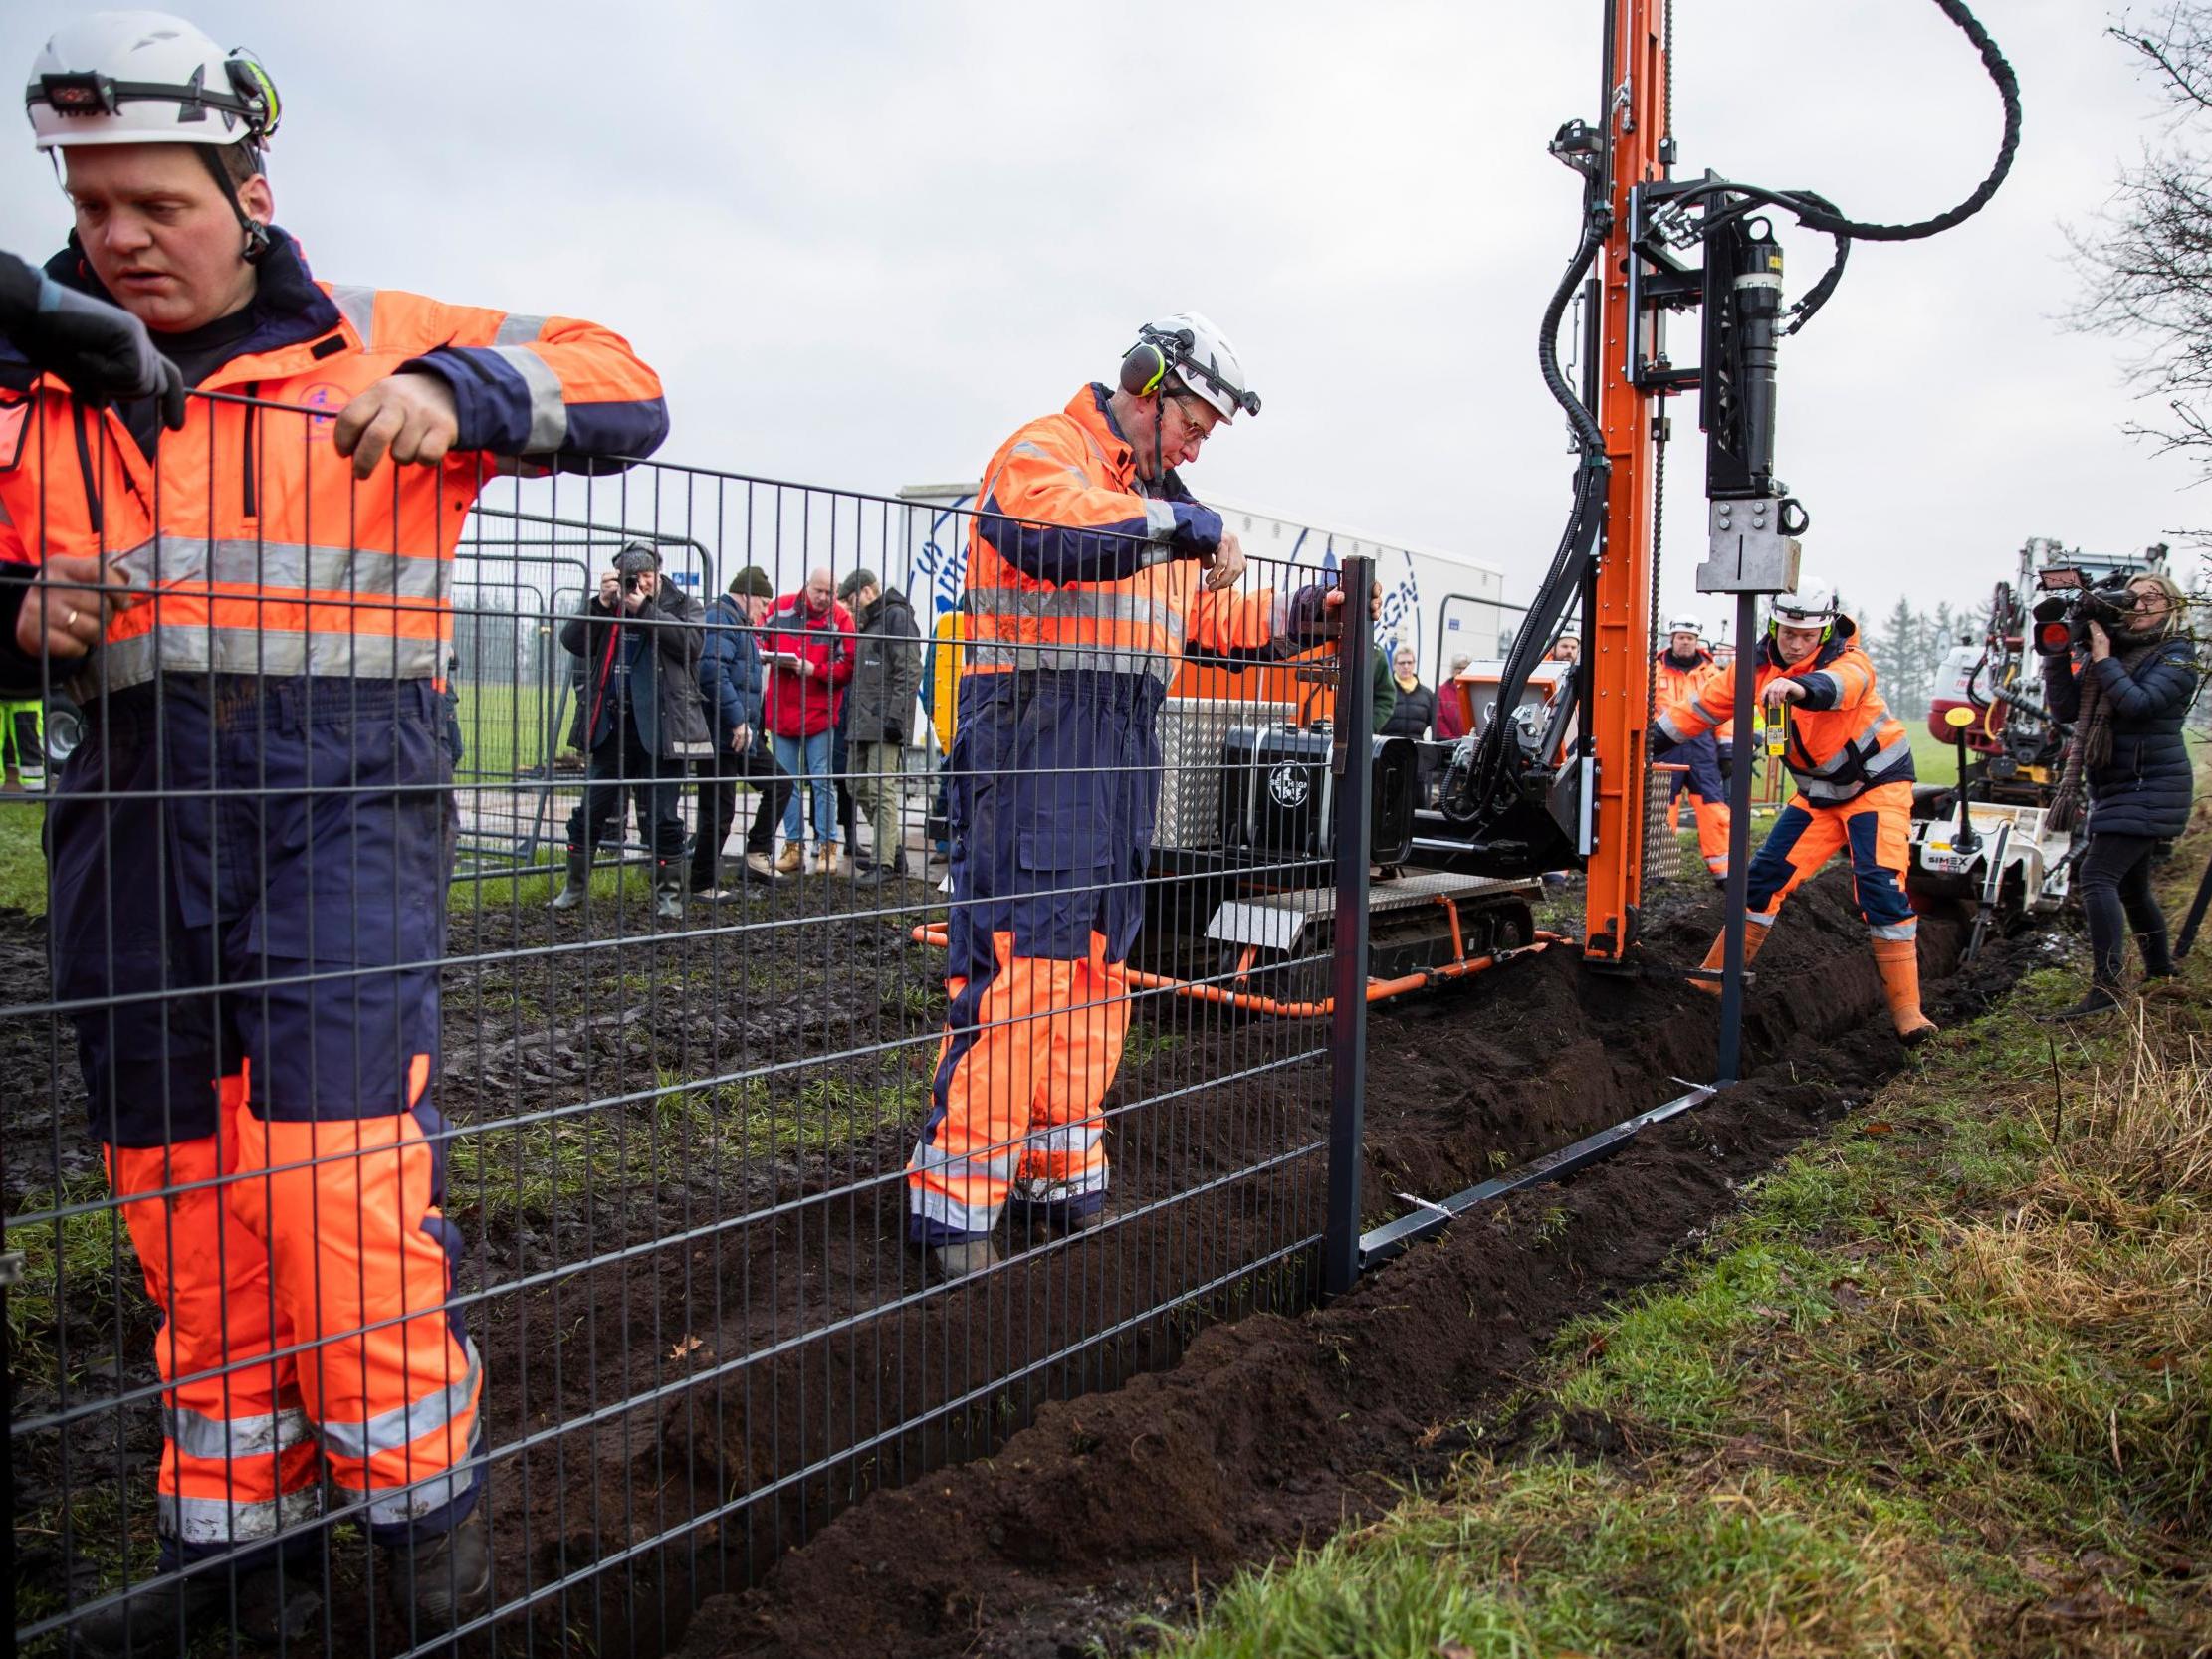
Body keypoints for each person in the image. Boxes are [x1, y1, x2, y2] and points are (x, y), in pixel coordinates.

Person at [0, 16, 668, 1647]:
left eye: (157, 202)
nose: (119, 238)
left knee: (330, 1175)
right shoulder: (34, 386)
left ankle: (424, 1530)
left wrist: (459, 392)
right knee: (177, 1190)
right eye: (92, 207)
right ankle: (234, 1537)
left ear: (249, 186)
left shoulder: (373, 337)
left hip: (345, 800)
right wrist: (25, 617)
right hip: (135, 809)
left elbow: (625, 378)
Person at [905, 312, 1368, 1279]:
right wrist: (1187, 528)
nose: (1199, 443)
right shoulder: (1050, 450)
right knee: (1017, 971)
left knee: (1092, 970)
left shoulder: (1158, 508)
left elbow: (1208, 621)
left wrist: (1299, 616)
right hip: (1032, 746)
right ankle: (955, 1207)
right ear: (1144, 386)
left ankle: (1056, 1171)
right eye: (1193, 421)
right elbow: (1046, 530)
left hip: (1116, 753)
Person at [1653, 582, 1936, 1045]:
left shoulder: (1850, 659)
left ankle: (1909, 1015)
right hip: (1818, 797)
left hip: (1876, 788)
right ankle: (1710, 981)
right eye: (1788, 632)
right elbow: (1698, 709)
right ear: (1773, 625)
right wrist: (1641, 742)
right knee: (1760, 882)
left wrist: (1799, 685)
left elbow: (1841, 686)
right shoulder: (1754, 669)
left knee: (1880, 889)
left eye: (1807, 635)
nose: (1796, 642)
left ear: (1824, 632)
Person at [2041, 572, 2198, 1018]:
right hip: (2115, 785)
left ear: (2173, 608)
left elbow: (2140, 703)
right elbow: (2067, 709)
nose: (2142, 605)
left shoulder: (2178, 656)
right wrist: (2057, 656)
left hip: (2152, 785)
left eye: (2154, 598)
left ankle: (2106, 991)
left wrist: (2104, 657)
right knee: (2131, 886)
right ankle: (2161, 971)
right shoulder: (2112, 650)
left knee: (2096, 877)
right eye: (2135, 598)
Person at [553, 545, 712, 920]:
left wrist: (645, 609)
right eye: (631, 578)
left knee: (662, 817)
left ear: (658, 574)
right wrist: (601, 605)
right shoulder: (609, 605)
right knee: (590, 810)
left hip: (662, 728)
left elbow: (692, 645)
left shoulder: (682, 605)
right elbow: (573, 641)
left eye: (645, 577)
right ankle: (573, 890)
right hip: (611, 726)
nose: (638, 584)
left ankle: (669, 898)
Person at [692, 565, 795, 895]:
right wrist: (737, 720)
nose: (765, 612)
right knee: (719, 810)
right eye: (763, 605)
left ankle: (755, 855)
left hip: (743, 734)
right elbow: (712, 673)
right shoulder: (720, 619)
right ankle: (702, 882)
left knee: (779, 783)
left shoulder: (738, 625)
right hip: (720, 734)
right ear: (746, 595)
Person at [763, 566, 856, 876]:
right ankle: (793, 847)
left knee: (822, 780)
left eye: (830, 593)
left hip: (820, 712)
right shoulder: (780, 608)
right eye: (819, 591)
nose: (824, 598)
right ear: (808, 586)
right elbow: (756, 640)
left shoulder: (841, 620)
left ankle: (827, 845)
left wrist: (814, 670)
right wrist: (767, 656)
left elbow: (847, 668)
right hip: (783, 712)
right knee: (785, 782)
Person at [840, 566, 925, 883]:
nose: (848, 609)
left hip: (884, 721)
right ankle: (891, 850)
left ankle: (884, 862)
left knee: (880, 789)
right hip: (862, 721)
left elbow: (910, 669)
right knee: (857, 786)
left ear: (865, 592)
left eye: (850, 601)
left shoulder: (897, 619)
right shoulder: (870, 624)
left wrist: (896, 718)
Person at [1653, 615, 1732, 883]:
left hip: (1702, 748)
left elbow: (1726, 711)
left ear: (1697, 641)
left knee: (1713, 807)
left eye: (1690, 638)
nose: (1685, 642)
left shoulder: (1712, 673)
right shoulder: (1653, 671)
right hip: (1664, 746)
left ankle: (1723, 869)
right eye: (1681, 637)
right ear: (1672, 640)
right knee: (1661, 808)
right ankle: (1658, 868)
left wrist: (1728, 750)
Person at [1434, 652, 1472, 742]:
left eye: (1466, 668)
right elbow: (1438, 720)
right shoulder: (1441, 692)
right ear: (1453, 670)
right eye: (1459, 668)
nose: (1462, 671)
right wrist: (1453, 742)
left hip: (1469, 745)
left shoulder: (1475, 693)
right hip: (1446, 745)